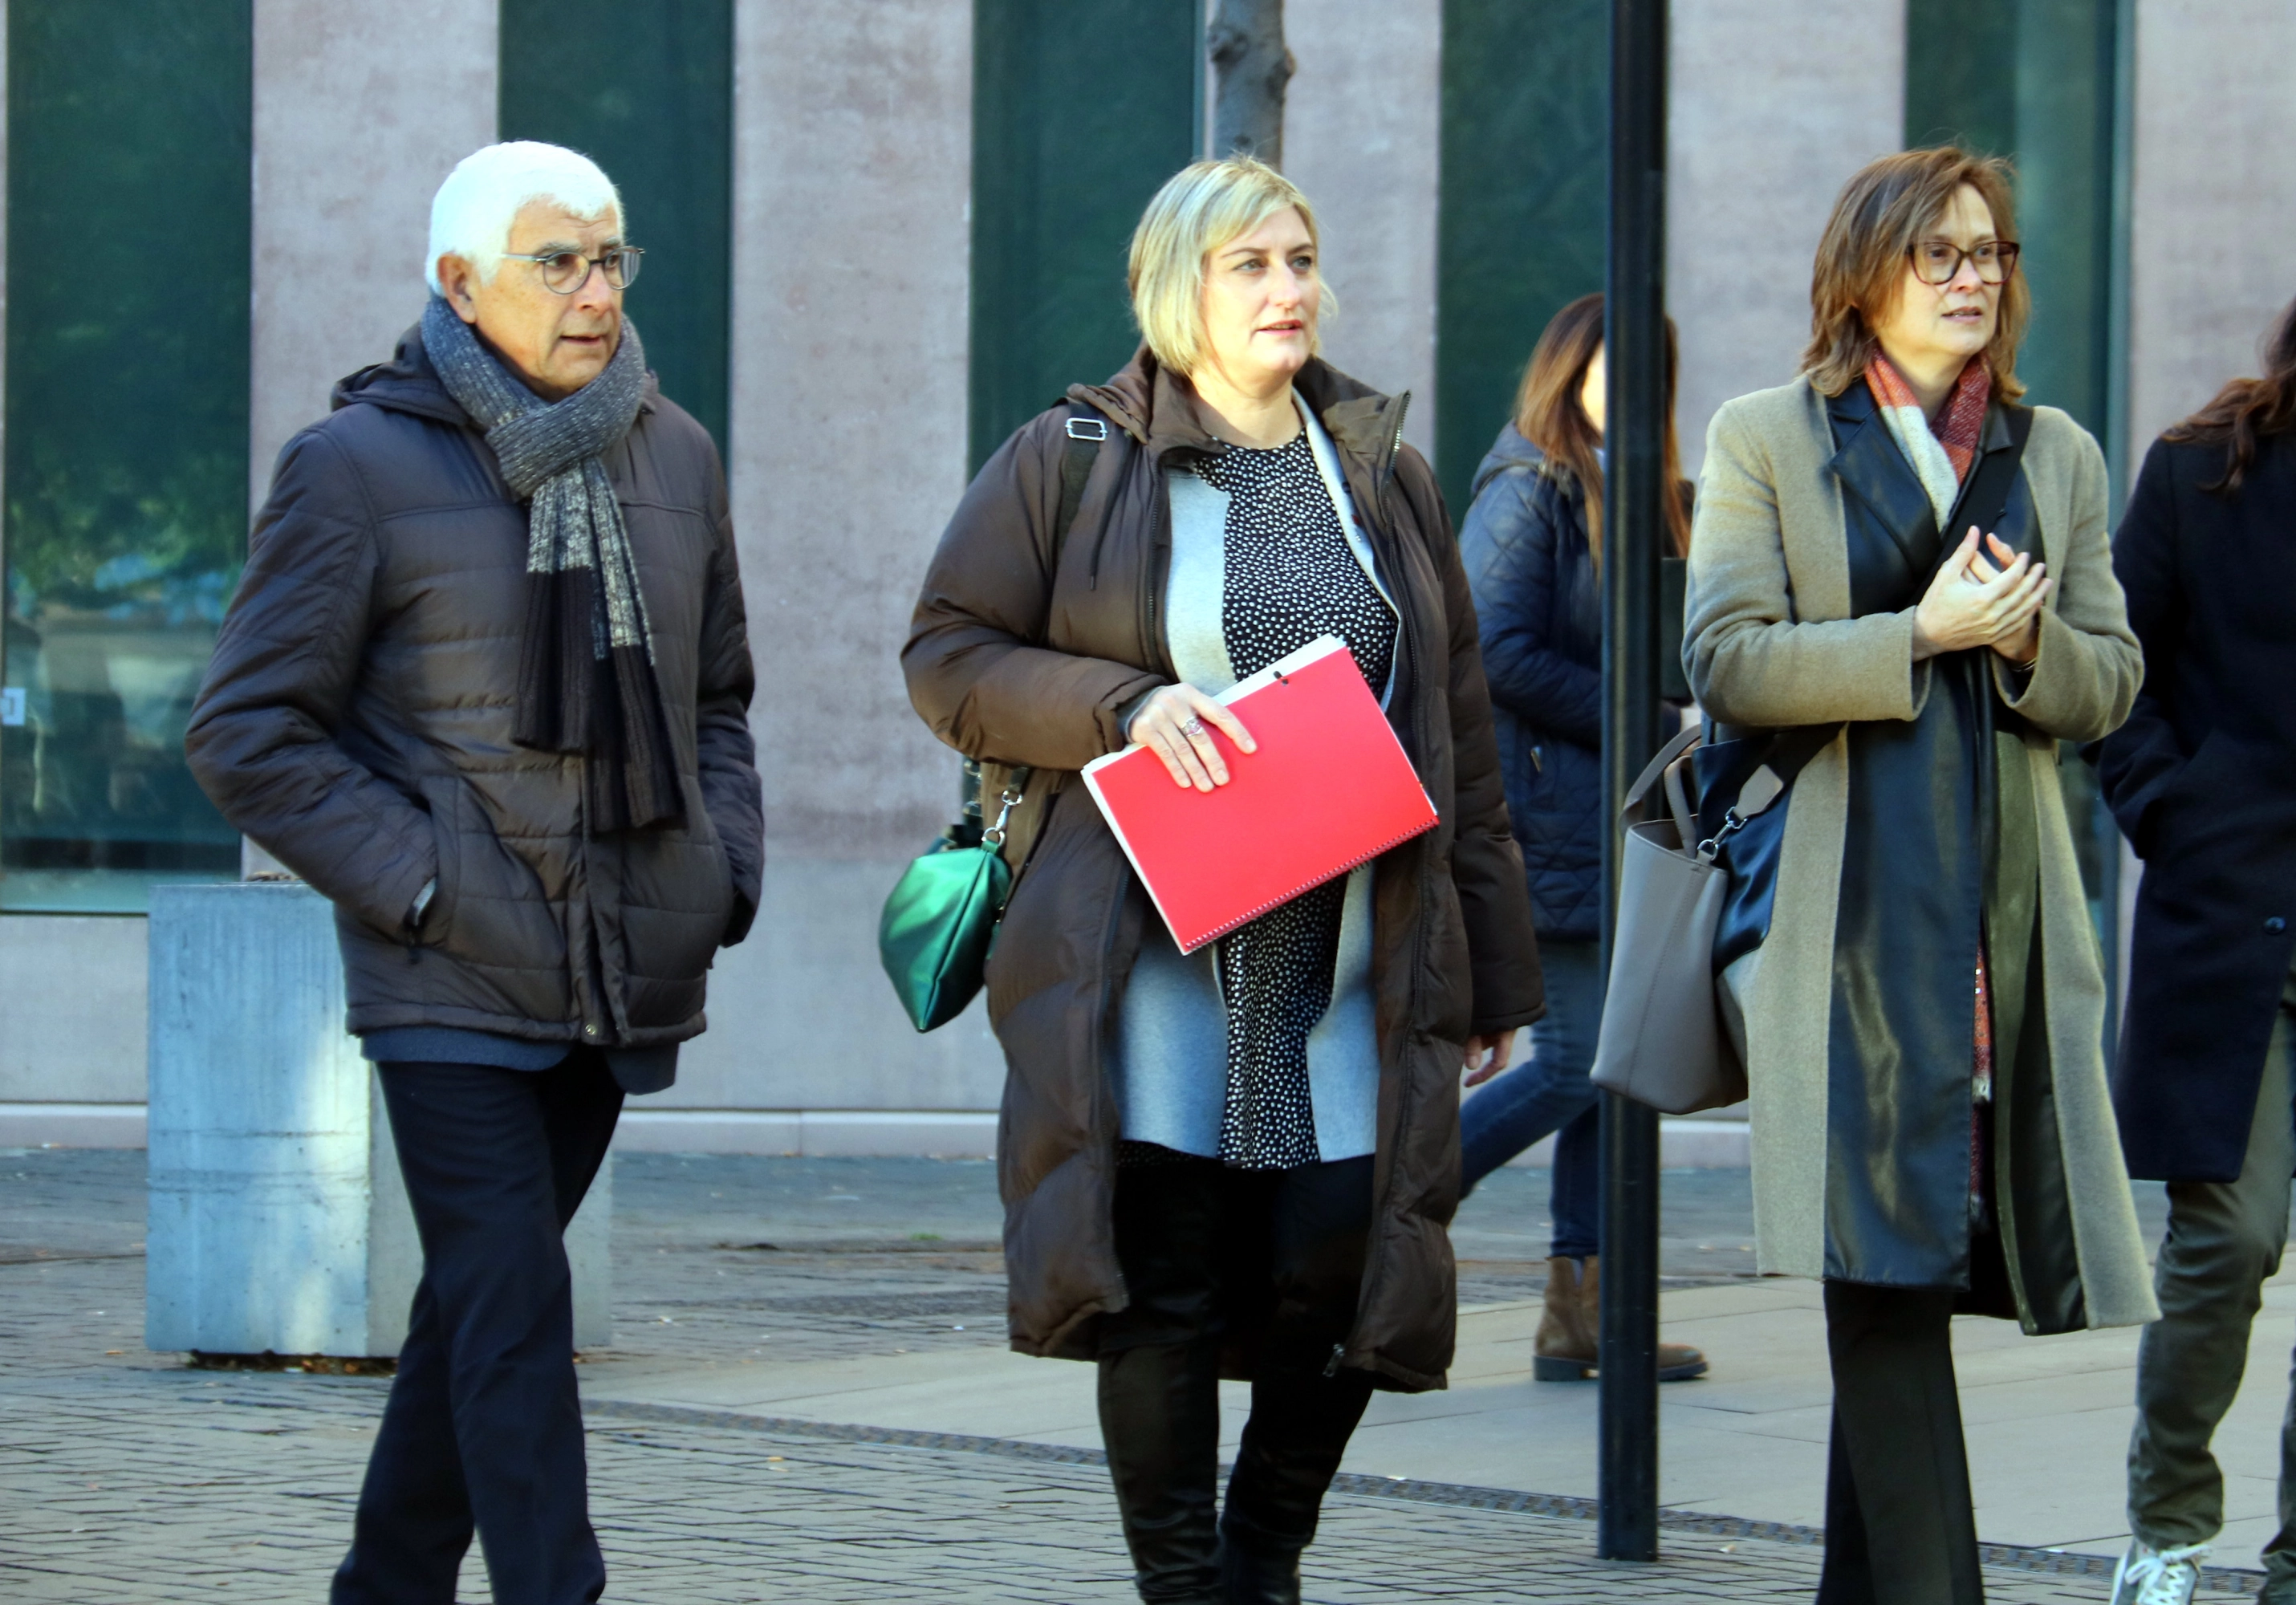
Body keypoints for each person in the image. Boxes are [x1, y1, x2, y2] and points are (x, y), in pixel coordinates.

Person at [903, 155, 1541, 1605]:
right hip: (1152, 966)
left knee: (1343, 1281)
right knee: (1168, 1299)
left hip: (1351, 966)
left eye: (1301, 260)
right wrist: (1123, 704)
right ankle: (1193, 1591)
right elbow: (947, 656)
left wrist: (1493, 971)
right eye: (1250, 265)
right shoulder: (1072, 456)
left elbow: (1462, 735)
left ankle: (1265, 1556)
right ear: (1174, 288)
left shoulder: (1381, 473)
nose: (1288, 290)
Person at [185, 142, 762, 1605]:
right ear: (460, 282)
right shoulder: (355, 467)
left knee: (471, 1313)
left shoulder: (675, 453)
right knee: (516, 1308)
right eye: (554, 261)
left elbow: (718, 704)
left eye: (611, 257)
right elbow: (247, 731)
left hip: (625, 959)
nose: (592, 290)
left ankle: (384, 1585)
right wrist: (423, 884)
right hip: (444, 972)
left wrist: (723, 873)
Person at [1681, 145, 2155, 1604]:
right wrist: (1923, 637)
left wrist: (2023, 647)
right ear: (1867, 271)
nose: (1973, 278)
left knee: (1904, 1283)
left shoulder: (2053, 448)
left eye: (1992, 253)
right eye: (1939, 253)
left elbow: (2114, 682)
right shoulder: (1770, 434)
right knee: (1880, 1282)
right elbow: (1727, 662)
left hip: (1998, 944)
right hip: (1841, 928)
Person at [1455, 291, 1705, 1384]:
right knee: (1573, 1065)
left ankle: (1584, 1313)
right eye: (1619, 365)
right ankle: (1381, 1211)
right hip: (1545, 824)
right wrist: (1645, 714)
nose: (1640, 385)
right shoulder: (1532, 487)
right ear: (1571, 368)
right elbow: (1495, 650)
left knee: (1623, 1069)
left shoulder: (1632, 493)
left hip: (1619, 827)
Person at [2096, 295, 2296, 1605]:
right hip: (2239, 924)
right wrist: (2178, 806)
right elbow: (2116, 682)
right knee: (2228, 1242)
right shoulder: (2201, 469)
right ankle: (2166, 1531)